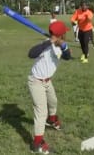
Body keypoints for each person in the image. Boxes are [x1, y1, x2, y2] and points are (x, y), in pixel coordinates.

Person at [27, 20, 71, 154]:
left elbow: (68, 57)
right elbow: (31, 53)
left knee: (53, 102)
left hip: (47, 81)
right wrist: (48, 42)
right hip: (36, 81)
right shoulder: (45, 46)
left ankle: (51, 121)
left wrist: (63, 45)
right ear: (60, 34)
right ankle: (37, 143)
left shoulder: (62, 44)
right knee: (41, 112)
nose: (65, 36)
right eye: (64, 34)